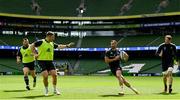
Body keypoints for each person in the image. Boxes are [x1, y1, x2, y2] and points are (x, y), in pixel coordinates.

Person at [31, 31, 74, 96]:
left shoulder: (52, 43)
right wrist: (34, 53)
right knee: (45, 76)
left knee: (55, 75)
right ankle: (46, 90)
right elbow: (32, 45)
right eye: (53, 36)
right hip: (41, 61)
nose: (53, 38)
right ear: (49, 36)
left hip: (50, 61)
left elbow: (59, 46)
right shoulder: (41, 42)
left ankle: (55, 89)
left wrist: (67, 46)